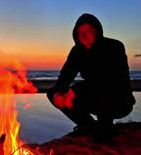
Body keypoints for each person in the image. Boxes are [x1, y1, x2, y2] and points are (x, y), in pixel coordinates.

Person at [47, 13, 135, 141]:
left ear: (97, 31)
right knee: (53, 93)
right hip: (93, 97)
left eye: (88, 31)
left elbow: (110, 80)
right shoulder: (77, 51)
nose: (83, 35)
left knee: (102, 92)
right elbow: (66, 75)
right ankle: (88, 126)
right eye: (80, 32)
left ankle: (105, 125)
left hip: (118, 100)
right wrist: (59, 92)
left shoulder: (114, 47)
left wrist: (75, 91)